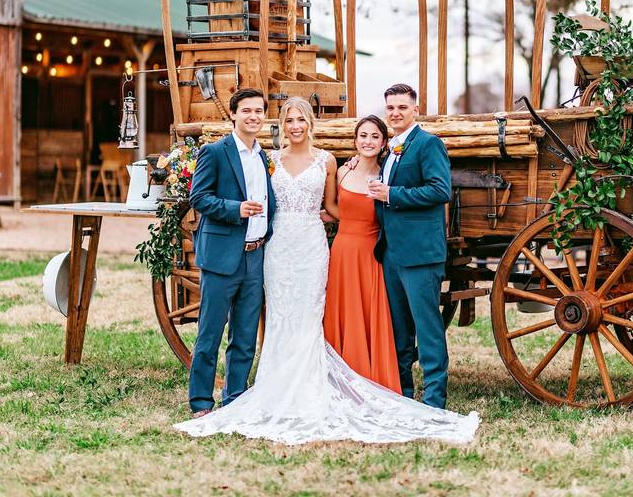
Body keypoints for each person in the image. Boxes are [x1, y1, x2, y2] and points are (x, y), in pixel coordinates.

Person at [174, 97, 478, 445]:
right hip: (277, 249)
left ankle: (308, 385)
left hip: (312, 247)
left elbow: (335, 206)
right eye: (289, 120)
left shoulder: (329, 161)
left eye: (301, 119)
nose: (295, 125)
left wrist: (348, 222)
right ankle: (242, 394)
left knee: (306, 319)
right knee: (273, 320)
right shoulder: (268, 159)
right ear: (281, 124)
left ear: (310, 123)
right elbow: (267, 202)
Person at [186, 87, 276, 418]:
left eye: (259, 111)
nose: (253, 116)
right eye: (247, 111)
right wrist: (235, 208)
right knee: (210, 332)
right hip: (223, 254)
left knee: (245, 334)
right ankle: (200, 402)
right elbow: (199, 197)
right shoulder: (215, 152)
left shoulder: (262, 156)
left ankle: (235, 398)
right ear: (234, 115)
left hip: (255, 255)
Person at [367, 83, 453, 410]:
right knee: (399, 332)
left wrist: (393, 195)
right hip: (391, 253)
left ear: (415, 109)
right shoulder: (391, 150)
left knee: (427, 329)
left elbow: (439, 190)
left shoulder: (428, 144)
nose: (396, 113)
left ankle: (433, 401)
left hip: (420, 254)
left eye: (402, 107)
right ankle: (404, 395)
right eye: (390, 108)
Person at [323, 115, 402, 393]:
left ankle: (368, 375)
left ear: (383, 143)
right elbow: (333, 207)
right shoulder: (344, 172)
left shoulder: (386, 175)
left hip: (370, 254)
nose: (368, 141)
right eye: (363, 136)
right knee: (340, 311)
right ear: (355, 141)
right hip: (343, 251)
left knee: (367, 313)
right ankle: (337, 375)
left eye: (374, 137)